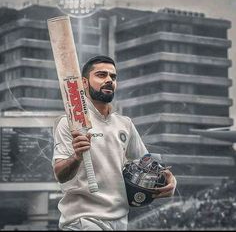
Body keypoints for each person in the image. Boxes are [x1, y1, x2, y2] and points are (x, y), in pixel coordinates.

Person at [52, 55, 177, 230]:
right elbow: (59, 173)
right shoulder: (69, 123)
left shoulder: (124, 123)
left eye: (113, 77)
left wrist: (169, 179)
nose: (109, 80)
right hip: (84, 220)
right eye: (101, 75)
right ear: (84, 83)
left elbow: (146, 162)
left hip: (120, 219)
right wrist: (76, 156)